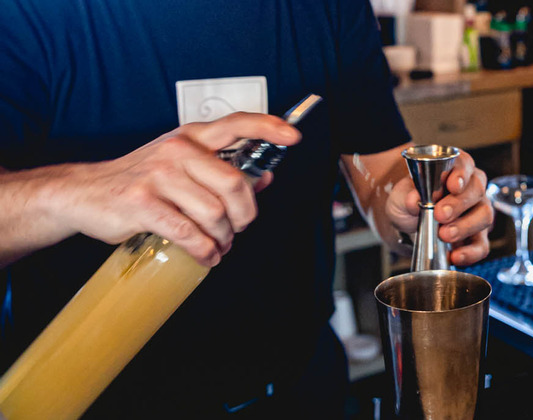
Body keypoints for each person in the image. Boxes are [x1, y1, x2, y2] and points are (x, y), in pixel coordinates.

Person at [0, 0, 493, 418]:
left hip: (300, 386)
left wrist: (412, 207)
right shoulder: (29, 13)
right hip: (85, 396)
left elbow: (376, 162)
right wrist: (69, 190)